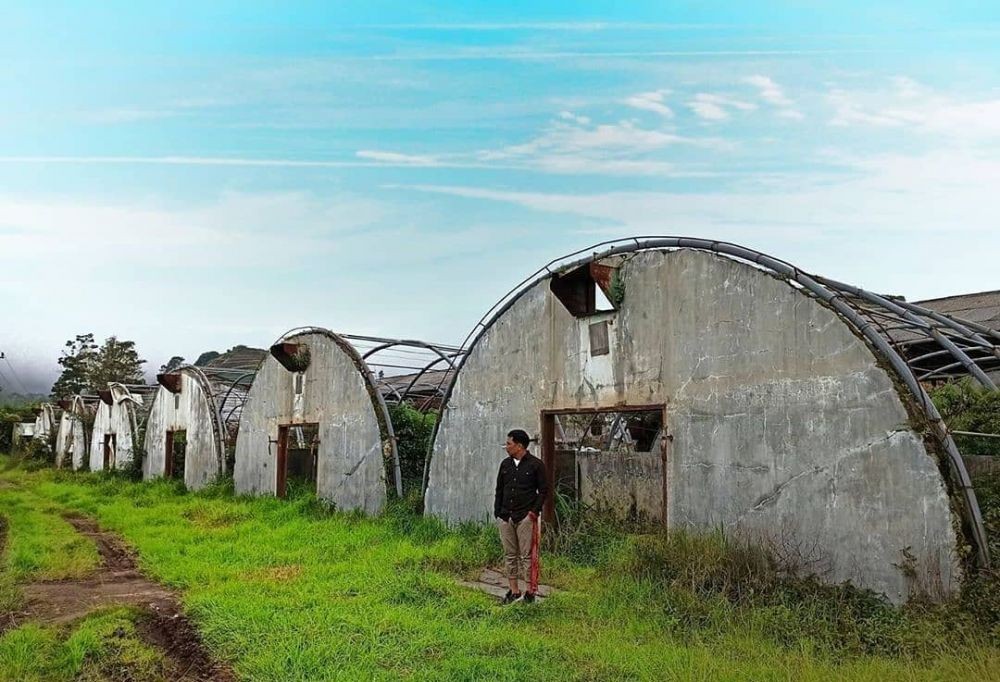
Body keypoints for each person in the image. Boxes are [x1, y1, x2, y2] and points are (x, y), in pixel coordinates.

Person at [494, 428, 548, 604]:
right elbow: (499, 489)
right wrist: (499, 513)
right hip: (506, 517)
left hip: (525, 517)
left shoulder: (535, 465)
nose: (506, 447)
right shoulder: (505, 465)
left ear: (519, 445)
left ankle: (530, 592)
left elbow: (543, 490)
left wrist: (533, 513)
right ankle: (514, 590)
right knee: (510, 555)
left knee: (527, 556)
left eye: (509, 444)